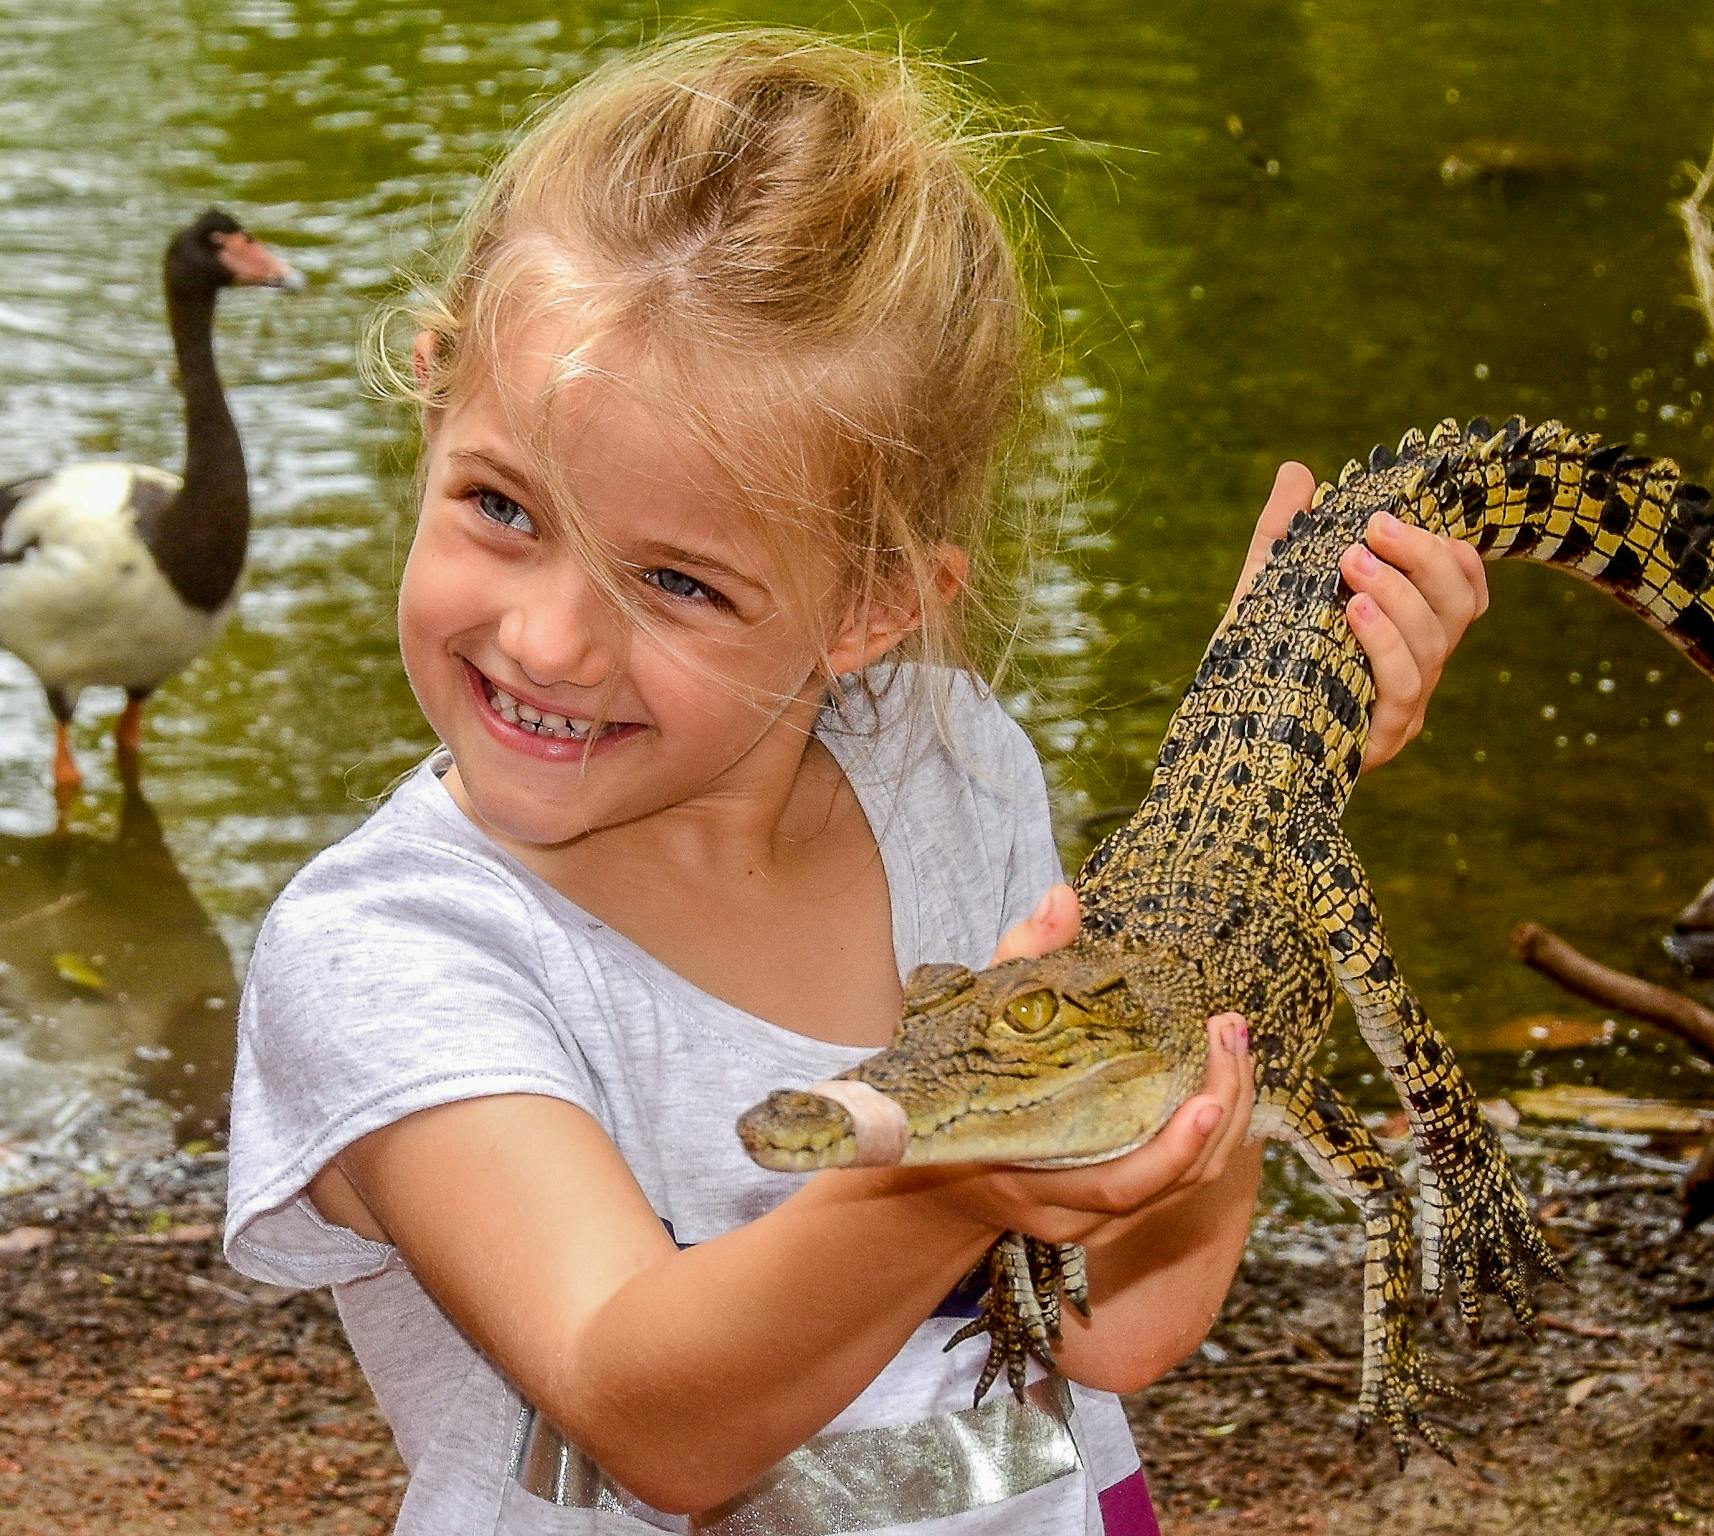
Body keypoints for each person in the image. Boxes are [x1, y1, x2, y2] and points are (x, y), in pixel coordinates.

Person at [222, 28, 1491, 1536]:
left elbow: (1122, 1325)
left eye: (678, 584)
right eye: (503, 507)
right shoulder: (393, 949)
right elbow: (650, 1416)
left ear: (874, 609)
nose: (549, 641)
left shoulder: (950, 771)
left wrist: (1270, 802)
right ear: (434, 403)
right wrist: (953, 1173)